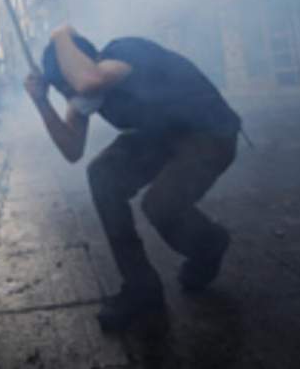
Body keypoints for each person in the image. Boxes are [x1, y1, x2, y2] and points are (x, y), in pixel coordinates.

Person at [23, 25, 241, 332]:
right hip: (162, 135)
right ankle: (141, 288)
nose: (74, 98)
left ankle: (209, 244)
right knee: (103, 175)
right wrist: (42, 102)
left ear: (87, 60)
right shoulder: (84, 90)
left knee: (160, 205)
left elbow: (88, 81)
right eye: (65, 92)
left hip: (209, 132)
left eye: (70, 87)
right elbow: (72, 149)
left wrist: (60, 34)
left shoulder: (123, 53)